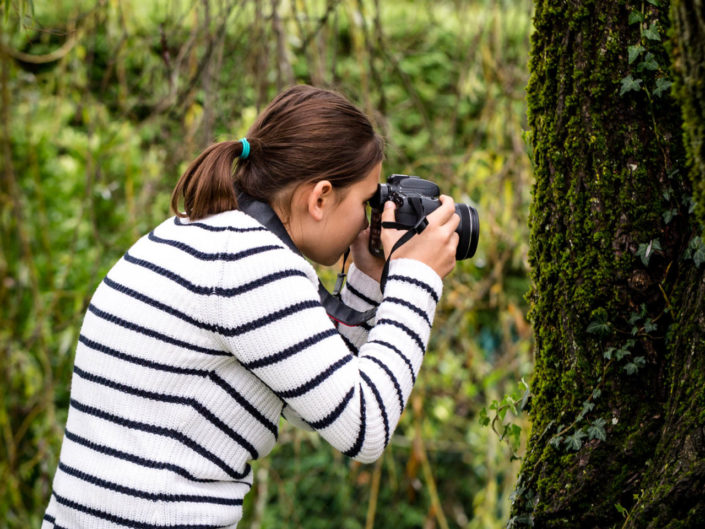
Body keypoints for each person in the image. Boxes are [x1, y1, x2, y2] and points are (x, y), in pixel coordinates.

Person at [41, 84, 460, 528]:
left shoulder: (198, 235)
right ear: (319, 198)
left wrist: (369, 279)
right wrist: (417, 277)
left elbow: (315, 397)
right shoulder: (252, 264)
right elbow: (364, 427)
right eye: (364, 202)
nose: (368, 219)